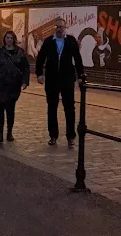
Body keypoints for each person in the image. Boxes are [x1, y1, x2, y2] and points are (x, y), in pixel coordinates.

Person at [35, 18, 84, 148]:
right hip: (52, 80)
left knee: (69, 108)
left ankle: (70, 136)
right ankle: (53, 135)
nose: (59, 29)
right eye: (56, 27)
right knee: (52, 107)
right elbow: (40, 58)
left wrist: (80, 75)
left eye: (61, 27)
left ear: (65, 28)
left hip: (67, 79)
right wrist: (39, 74)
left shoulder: (71, 41)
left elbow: (77, 59)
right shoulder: (49, 42)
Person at [0, 31, 30, 143]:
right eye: (7, 38)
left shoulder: (20, 53)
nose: (9, 40)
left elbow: (25, 69)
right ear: (4, 39)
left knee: (10, 110)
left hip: (13, 86)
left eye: (11, 38)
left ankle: (9, 132)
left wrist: (25, 82)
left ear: (14, 39)